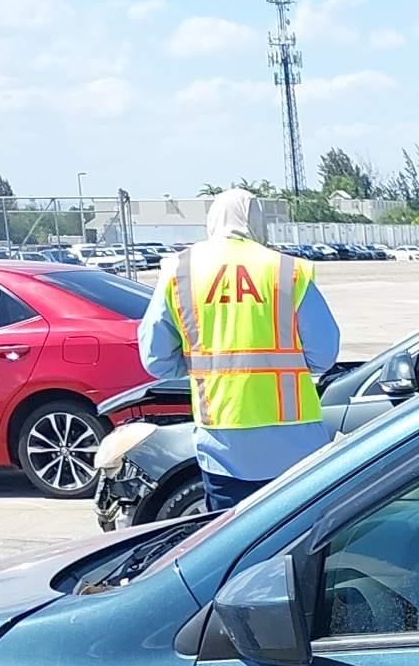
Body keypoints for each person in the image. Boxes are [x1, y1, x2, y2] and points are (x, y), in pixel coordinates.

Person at [139, 187, 341, 512]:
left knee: (231, 543)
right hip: (296, 437)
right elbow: (324, 353)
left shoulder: (180, 270)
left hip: (223, 438)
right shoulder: (287, 270)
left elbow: (155, 358)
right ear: (257, 221)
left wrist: (199, 366)